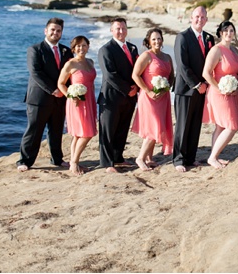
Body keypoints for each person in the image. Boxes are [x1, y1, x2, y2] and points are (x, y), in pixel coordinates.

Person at [17, 17, 73, 172]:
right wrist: (53, 90)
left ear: (62, 32)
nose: (55, 33)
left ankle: (57, 159)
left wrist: (69, 91)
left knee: (56, 131)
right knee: (34, 130)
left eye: (58, 30)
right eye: (52, 30)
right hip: (39, 99)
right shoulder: (35, 49)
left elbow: (71, 72)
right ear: (46, 31)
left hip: (60, 99)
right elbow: (36, 73)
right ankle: (25, 161)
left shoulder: (66, 51)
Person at [173, 6, 214, 172]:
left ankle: (190, 158)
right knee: (183, 126)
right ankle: (178, 160)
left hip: (203, 89)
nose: (200, 19)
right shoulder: (182, 37)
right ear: (191, 18)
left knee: (195, 125)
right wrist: (197, 84)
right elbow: (182, 66)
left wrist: (208, 84)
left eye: (203, 17)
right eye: (197, 16)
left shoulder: (209, 38)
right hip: (186, 89)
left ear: (206, 20)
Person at [98, 17, 139, 173]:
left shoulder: (133, 48)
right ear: (111, 30)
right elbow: (110, 74)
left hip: (130, 96)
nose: (121, 31)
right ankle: (107, 163)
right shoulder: (106, 50)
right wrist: (128, 89)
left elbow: (137, 70)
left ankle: (118, 157)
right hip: (111, 97)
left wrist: (136, 87)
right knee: (108, 130)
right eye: (117, 28)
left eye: (123, 28)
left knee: (122, 128)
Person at [131, 28, 174, 171]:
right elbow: (135, 75)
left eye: (159, 38)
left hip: (164, 97)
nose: (157, 41)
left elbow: (171, 76)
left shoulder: (167, 57)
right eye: (154, 39)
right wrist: (148, 91)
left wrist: (166, 87)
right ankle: (140, 158)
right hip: (149, 98)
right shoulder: (146, 56)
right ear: (149, 41)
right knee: (154, 127)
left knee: (159, 126)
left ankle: (149, 158)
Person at [202, 21, 238, 169]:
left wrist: (236, 86)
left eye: (231, 30)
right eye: (226, 31)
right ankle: (212, 157)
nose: (229, 33)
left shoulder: (236, 51)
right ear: (220, 33)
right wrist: (220, 88)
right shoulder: (216, 50)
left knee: (220, 126)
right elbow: (206, 73)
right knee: (232, 126)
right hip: (219, 93)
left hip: (233, 92)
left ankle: (215, 156)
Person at [57, 35, 97, 175]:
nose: (81, 48)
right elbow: (60, 83)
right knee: (87, 133)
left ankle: (74, 163)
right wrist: (70, 95)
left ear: (88, 46)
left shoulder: (91, 62)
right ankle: (74, 162)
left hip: (90, 100)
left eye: (84, 45)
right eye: (78, 46)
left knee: (78, 135)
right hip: (77, 102)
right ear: (74, 48)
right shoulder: (70, 64)